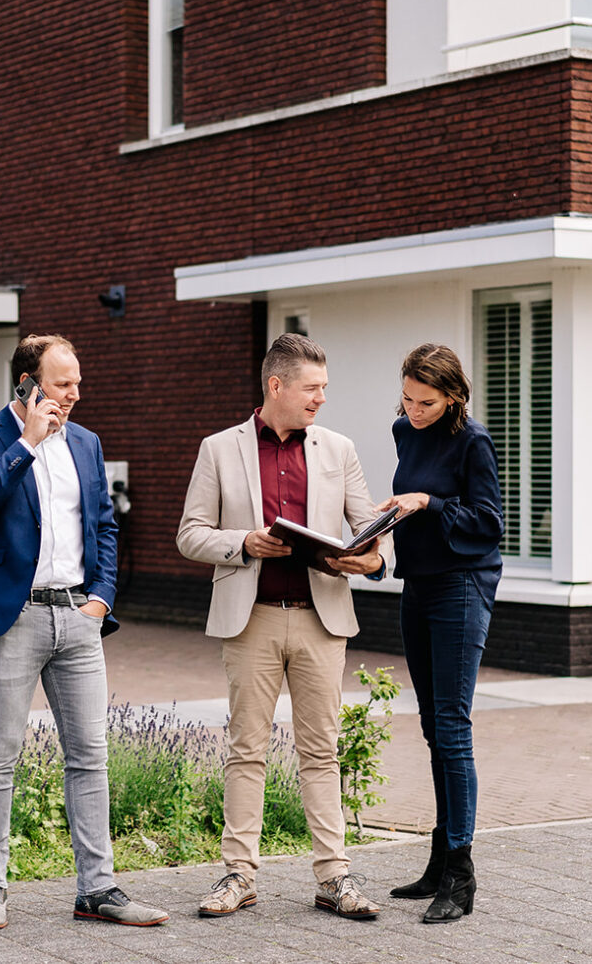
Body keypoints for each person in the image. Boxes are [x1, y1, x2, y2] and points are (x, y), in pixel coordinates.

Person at [0, 334, 168, 930]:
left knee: (90, 755)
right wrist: (27, 444)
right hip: (10, 617)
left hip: (77, 617)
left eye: (77, 383)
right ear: (27, 384)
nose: (74, 394)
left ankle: (97, 889)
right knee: (1, 753)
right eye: (62, 384)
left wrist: (103, 597)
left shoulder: (87, 443)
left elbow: (105, 526)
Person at [177, 333, 389, 922]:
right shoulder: (219, 449)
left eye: (324, 388)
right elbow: (191, 533)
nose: (321, 398)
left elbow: (369, 528)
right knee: (246, 750)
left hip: (323, 621)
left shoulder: (338, 448)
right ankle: (239, 876)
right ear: (277, 386)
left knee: (321, 752)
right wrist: (243, 542)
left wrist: (368, 557)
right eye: (312, 388)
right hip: (252, 622)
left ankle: (334, 878)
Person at [374, 343, 503, 924]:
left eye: (426, 401)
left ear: (453, 396)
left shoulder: (473, 441)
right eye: (406, 397)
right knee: (431, 726)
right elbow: (415, 499)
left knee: (451, 726)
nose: (413, 409)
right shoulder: (405, 430)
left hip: (462, 586)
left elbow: (489, 522)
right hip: (419, 584)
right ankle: (439, 859)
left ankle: (461, 873)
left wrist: (428, 501)